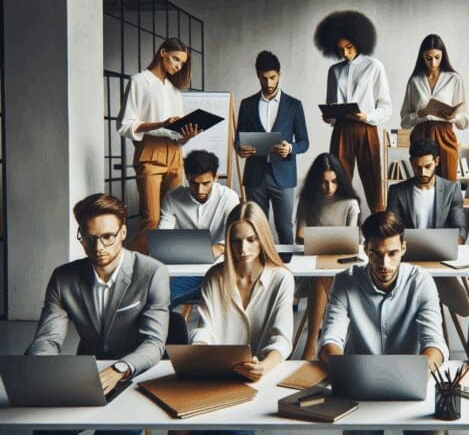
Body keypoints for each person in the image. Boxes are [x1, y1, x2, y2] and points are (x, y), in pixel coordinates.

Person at [27, 194, 169, 417]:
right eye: (89, 237)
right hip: (87, 373)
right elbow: (48, 339)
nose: (98, 247)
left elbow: (153, 342)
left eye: (107, 237)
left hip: (135, 372)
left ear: (123, 233)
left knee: (115, 431)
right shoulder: (63, 278)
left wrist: (119, 369)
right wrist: (38, 368)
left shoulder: (152, 272)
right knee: (47, 428)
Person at [318, 211, 448, 371]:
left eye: (392, 253)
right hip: (357, 374)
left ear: (403, 248)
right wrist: (344, 371)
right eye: (376, 254)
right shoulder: (345, 281)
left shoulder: (421, 281)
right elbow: (330, 341)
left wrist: (420, 374)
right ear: (365, 249)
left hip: (408, 374)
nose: (384, 264)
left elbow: (435, 344)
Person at [189, 202, 294, 383]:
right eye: (236, 241)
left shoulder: (281, 278)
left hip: (263, 376)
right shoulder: (214, 277)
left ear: (262, 239)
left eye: (251, 240)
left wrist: (264, 366)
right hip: (218, 377)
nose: (243, 250)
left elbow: (282, 339)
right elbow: (204, 328)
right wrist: (199, 351)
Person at [116, 37, 201, 253]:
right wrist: (160, 123)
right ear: (162, 52)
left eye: (181, 63)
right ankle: (131, 265)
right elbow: (124, 125)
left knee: (174, 217)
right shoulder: (139, 81)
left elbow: (177, 134)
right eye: (175, 59)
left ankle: (168, 269)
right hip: (150, 151)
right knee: (152, 220)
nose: (177, 66)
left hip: (175, 154)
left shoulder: (174, 90)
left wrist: (188, 135)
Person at [315, 10, 391, 213]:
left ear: (359, 40)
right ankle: (341, 229)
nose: (345, 53)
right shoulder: (334, 71)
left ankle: (379, 229)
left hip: (366, 128)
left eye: (348, 47)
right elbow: (331, 106)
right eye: (340, 50)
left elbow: (386, 107)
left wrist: (367, 116)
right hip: (341, 129)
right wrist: (329, 115)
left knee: (374, 182)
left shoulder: (374, 67)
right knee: (337, 180)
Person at [236, 50, 309, 245]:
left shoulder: (294, 105)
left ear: (279, 75)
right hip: (254, 174)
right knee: (255, 226)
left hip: (283, 174)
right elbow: (238, 140)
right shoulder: (247, 104)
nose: (268, 83)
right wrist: (240, 149)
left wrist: (291, 148)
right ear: (257, 76)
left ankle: (288, 272)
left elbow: (304, 142)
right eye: (263, 78)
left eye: (272, 77)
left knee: (285, 227)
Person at [295, 153, 361, 360]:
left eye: (334, 182)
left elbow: (353, 241)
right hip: (315, 266)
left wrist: (319, 239)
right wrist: (334, 240)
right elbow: (299, 236)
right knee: (320, 275)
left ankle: (310, 346)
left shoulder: (351, 203)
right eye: (323, 183)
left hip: (345, 267)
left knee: (323, 276)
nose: (329, 188)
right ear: (316, 182)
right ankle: (322, 345)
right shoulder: (308, 201)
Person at [157, 150, 240, 309]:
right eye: (193, 183)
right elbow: (162, 236)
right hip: (181, 265)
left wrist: (220, 247)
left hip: (217, 266)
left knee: (160, 300)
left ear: (216, 178)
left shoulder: (229, 197)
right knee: (154, 297)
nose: (200, 190)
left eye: (206, 183)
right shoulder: (172, 197)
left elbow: (235, 233)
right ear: (187, 177)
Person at [400, 34, 469, 182]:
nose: (433, 62)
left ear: (443, 56)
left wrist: (454, 117)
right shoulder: (415, 81)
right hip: (421, 134)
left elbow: (465, 121)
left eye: (437, 57)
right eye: (428, 57)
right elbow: (404, 121)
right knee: (423, 182)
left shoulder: (454, 79)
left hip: (445, 133)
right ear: (421, 56)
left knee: (449, 182)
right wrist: (420, 114)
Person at [386, 138, 467, 243]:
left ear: (436, 161)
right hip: (408, 250)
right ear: (411, 162)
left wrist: (453, 245)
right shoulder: (396, 191)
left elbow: (461, 228)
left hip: (441, 249)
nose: (423, 172)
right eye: (417, 167)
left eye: (428, 166)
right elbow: (391, 228)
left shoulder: (452, 190)